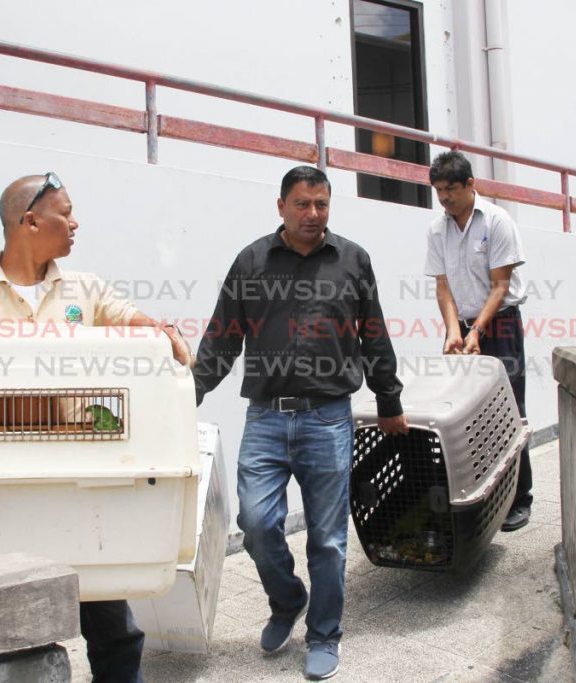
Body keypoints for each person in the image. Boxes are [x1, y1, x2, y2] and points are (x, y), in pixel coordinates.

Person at [0, 171, 192, 683]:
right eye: (64, 213)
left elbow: (130, 319)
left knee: (112, 625)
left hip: (79, 482)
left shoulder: (85, 291)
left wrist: (163, 332)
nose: (75, 223)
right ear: (29, 221)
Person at [193, 166, 408, 680]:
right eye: (303, 205)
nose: (313, 215)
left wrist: (388, 398)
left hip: (329, 419)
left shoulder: (353, 260)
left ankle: (324, 633)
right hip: (266, 417)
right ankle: (287, 600)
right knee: (256, 522)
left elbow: (373, 333)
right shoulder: (252, 261)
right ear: (281, 207)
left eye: (322, 205)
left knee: (328, 539)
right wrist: (188, 396)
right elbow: (222, 337)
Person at [424, 150, 532, 532]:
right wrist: (454, 330)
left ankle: (520, 498)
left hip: (499, 327)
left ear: (471, 185)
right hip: (465, 328)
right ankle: (485, 494)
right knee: (469, 413)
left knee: (508, 410)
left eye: (451, 189)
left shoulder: (497, 222)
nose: (445, 198)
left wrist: (477, 331)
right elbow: (443, 286)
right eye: (439, 191)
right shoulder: (438, 230)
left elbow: (500, 286)